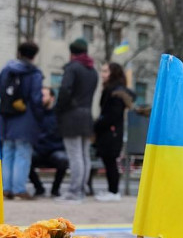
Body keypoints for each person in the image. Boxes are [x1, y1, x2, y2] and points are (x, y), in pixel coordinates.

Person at [0, 42, 43, 200]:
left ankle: (6, 189)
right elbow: (36, 98)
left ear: (19, 52)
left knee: (8, 152)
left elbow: (0, 92)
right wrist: (38, 117)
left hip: (6, 117)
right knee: (22, 154)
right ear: (34, 55)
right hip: (26, 118)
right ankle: (19, 189)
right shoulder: (34, 73)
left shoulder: (6, 70)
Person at [55, 37, 98, 202]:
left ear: (71, 52)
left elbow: (65, 90)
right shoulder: (92, 71)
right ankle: (82, 189)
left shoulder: (72, 68)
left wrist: (59, 109)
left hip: (71, 116)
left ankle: (74, 191)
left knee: (75, 155)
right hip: (87, 115)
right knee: (84, 155)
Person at [94, 62, 134, 201]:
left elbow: (112, 114)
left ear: (113, 73)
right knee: (109, 161)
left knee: (110, 161)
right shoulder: (114, 90)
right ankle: (112, 191)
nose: (102, 74)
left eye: (105, 71)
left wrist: (97, 124)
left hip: (111, 132)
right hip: (111, 131)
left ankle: (114, 192)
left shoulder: (115, 92)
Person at [29, 87, 68, 197]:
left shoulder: (59, 116)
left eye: (44, 95)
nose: (41, 98)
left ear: (52, 98)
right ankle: (39, 188)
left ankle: (55, 190)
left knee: (63, 160)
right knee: (25, 159)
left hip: (55, 150)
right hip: (39, 150)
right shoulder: (35, 114)